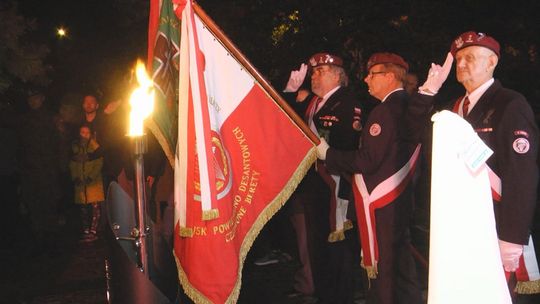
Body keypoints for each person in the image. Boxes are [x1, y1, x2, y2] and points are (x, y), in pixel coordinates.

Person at [424, 31, 540, 301]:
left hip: (497, 225)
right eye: (460, 58)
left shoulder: (510, 104)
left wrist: (512, 237)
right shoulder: (453, 110)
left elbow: (521, 175)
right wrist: (428, 92)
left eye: (471, 58)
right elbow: (414, 135)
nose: (462, 64)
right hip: (463, 223)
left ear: (491, 63)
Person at [317, 52, 425, 304]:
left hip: (381, 205)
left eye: (372, 74)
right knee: (402, 272)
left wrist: (329, 154)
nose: (366, 79)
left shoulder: (384, 111)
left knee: (382, 274)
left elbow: (367, 160)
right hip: (400, 200)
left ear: (389, 76)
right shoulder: (407, 105)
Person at [303, 52, 363, 304]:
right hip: (314, 185)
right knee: (317, 245)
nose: (314, 76)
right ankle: (324, 294)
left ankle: (340, 297)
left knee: (337, 248)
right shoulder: (312, 103)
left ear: (338, 75)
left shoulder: (348, 103)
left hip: (336, 185)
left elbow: (349, 144)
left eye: (321, 71)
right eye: (313, 71)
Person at [69, 123, 105, 242]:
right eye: (82, 132)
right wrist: (75, 177)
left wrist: (91, 177)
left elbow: (99, 163)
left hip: (93, 183)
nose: (84, 135)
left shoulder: (95, 148)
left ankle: (93, 230)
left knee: (95, 208)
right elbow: (72, 164)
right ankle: (85, 230)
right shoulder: (75, 148)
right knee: (83, 209)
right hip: (80, 184)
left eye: (87, 133)